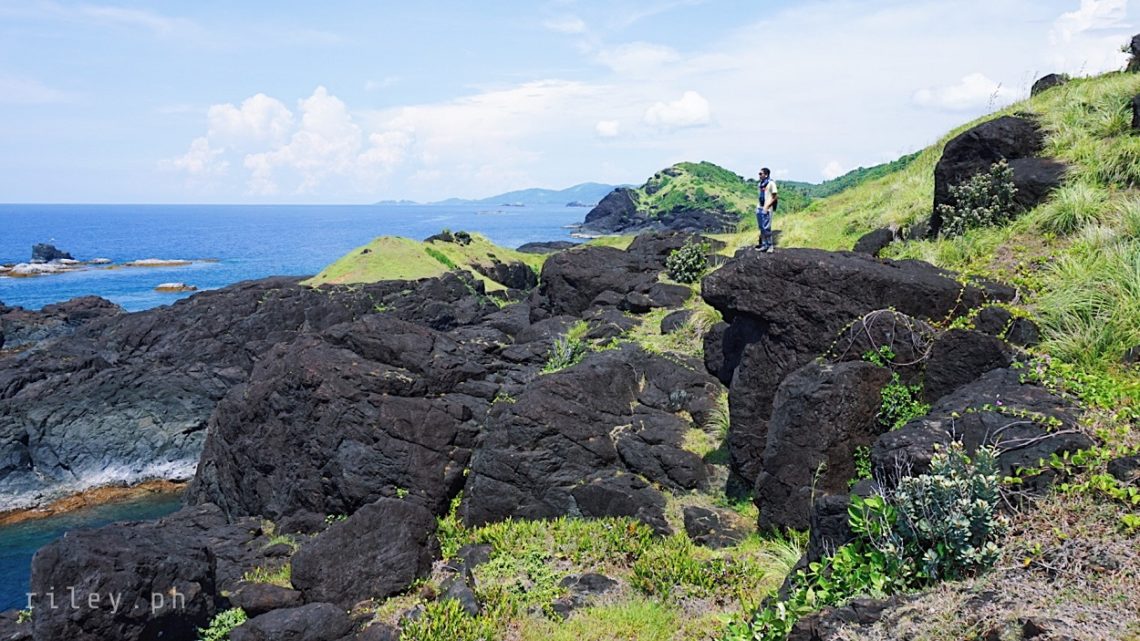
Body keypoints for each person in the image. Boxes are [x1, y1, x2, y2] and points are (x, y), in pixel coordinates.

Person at [756, 167, 778, 252]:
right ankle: (764, 245)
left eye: (761, 174)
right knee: (761, 227)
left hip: (767, 208)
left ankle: (770, 245)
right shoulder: (760, 184)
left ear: (766, 174)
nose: (759, 175)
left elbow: (775, 197)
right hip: (760, 207)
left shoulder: (771, 183)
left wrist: (767, 206)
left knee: (767, 227)